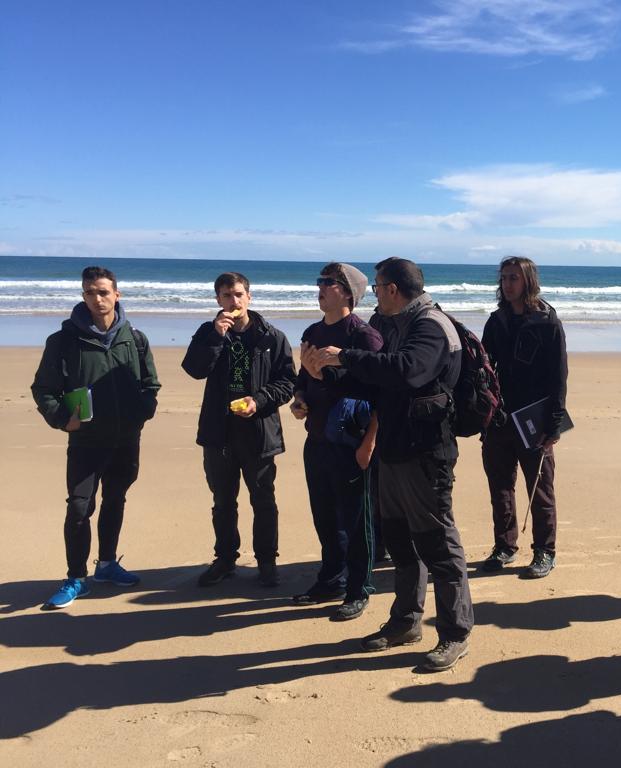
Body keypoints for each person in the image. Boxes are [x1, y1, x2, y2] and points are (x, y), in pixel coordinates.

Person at [312, 257, 473, 673]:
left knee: (438, 544)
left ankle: (455, 632)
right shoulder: (386, 324)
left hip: (427, 451)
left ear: (394, 290)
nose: (374, 294)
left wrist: (343, 357)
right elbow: (372, 383)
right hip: (393, 447)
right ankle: (405, 621)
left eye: (379, 287)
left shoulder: (432, 326)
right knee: (400, 543)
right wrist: (326, 372)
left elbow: (408, 371)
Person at [31, 266, 160, 609]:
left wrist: (144, 410)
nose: (97, 298)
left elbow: (151, 383)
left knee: (115, 499)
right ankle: (76, 577)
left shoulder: (135, 338)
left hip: (126, 438)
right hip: (86, 440)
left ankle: (106, 565)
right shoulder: (63, 341)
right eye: (90, 292)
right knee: (79, 507)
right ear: (83, 296)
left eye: (103, 292)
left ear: (117, 295)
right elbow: (43, 389)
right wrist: (61, 418)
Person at [181, 272, 296, 588]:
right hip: (218, 432)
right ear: (218, 300)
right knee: (222, 500)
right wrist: (215, 339)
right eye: (227, 296)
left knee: (263, 499)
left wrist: (258, 401)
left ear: (249, 297)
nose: (234, 301)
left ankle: (267, 561)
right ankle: (226, 559)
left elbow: (288, 383)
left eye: (239, 294)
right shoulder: (209, 332)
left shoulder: (272, 337)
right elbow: (193, 370)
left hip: (258, 432)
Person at [290, 263, 383, 620]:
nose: (320, 288)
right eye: (320, 282)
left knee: (356, 519)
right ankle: (331, 579)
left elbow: (380, 392)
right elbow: (303, 378)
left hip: (351, 442)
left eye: (327, 283)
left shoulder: (364, 336)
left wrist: (369, 443)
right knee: (325, 515)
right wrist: (300, 399)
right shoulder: (313, 330)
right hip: (317, 438)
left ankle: (359, 588)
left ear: (346, 292)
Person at [479, 256, 568, 578]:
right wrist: (483, 410)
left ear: (528, 280)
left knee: (540, 489)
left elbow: (559, 376)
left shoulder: (547, 321)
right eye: (504, 278)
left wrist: (554, 422)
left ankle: (545, 551)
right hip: (499, 418)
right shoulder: (496, 320)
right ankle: (504, 546)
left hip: (535, 417)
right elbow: (484, 371)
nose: (507, 284)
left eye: (514, 277)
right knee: (500, 487)